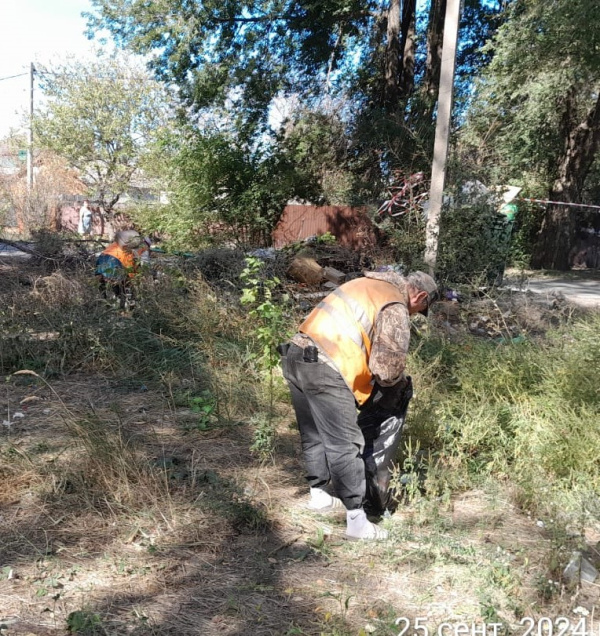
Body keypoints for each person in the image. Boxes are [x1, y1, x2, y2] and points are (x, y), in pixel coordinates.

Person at [279, 270, 438, 541]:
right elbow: (387, 370)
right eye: (419, 310)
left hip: (295, 354)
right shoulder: (394, 304)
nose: (414, 315)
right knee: (345, 443)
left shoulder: (367, 284)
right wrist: (392, 390)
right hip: (327, 365)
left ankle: (319, 496)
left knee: (314, 432)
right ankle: (356, 521)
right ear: (419, 296)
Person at [94, 230, 142, 309]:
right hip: (113, 263)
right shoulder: (130, 253)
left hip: (102, 259)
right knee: (121, 287)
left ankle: (104, 305)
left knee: (102, 284)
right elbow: (130, 270)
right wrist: (133, 280)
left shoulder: (115, 245)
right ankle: (122, 308)